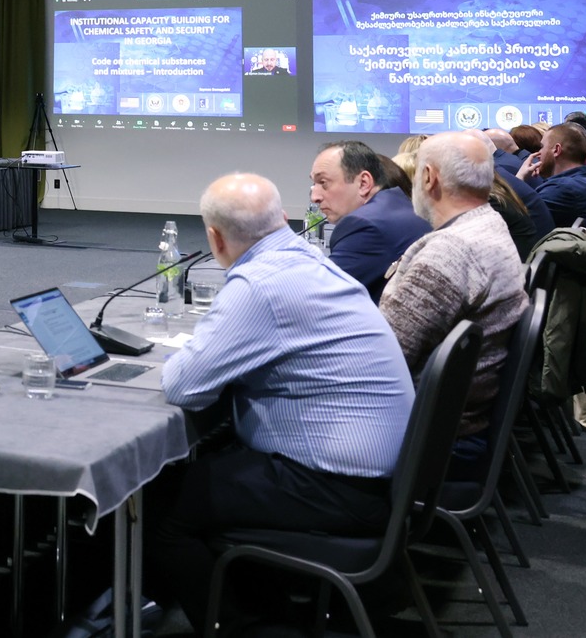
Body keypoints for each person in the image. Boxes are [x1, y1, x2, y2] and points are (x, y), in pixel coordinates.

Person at [149, 173, 414, 633]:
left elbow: (183, 385)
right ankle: (263, 606)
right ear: (284, 219)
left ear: (215, 238)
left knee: (159, 504)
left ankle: (242, 627)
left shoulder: (259, 284)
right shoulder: (308, 260)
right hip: (383, 479)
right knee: (215, 465)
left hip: (339, 488)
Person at [379, 133, 528, 472]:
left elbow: (383, 359)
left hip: (428, 437)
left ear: (428, 177)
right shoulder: (489, 224)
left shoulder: (450, 253)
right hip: (457, 422)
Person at [308, 141, 429, 299]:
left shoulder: (365, 225)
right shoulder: (402, 208)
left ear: (364, 183)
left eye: (323, 183)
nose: (315, 197)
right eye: (314, 184)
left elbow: (313, 296)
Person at [522, 122, 586, 228]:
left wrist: (519, 178)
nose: (538, 153)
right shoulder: (581, 179)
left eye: (542, 147)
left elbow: (517, 222)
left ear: (556, 150)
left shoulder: (562, 188)